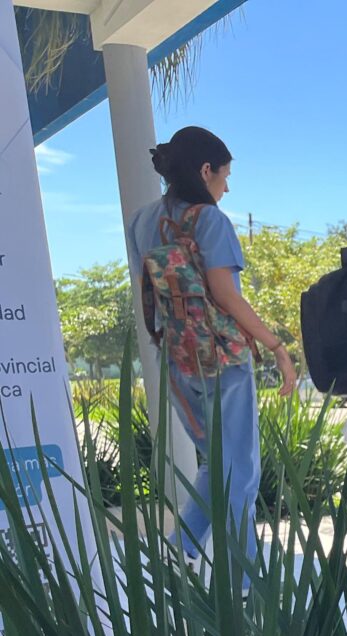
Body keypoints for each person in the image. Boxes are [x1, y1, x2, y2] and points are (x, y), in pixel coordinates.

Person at [126, 126, 297, 584]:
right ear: (205, 170)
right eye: (224, 175)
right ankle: (242, 581)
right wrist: (277, 346)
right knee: (240, 472)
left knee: (217, 466)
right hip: (223, 360)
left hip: (180, 360)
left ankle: (178, 549)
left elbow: (147, 290)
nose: (226, 186)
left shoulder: (141, 221)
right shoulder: (210, 219)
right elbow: (226, 294)